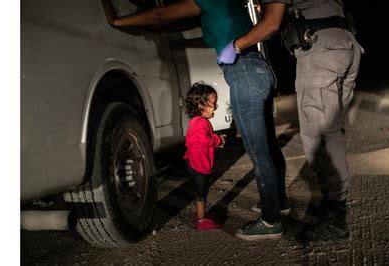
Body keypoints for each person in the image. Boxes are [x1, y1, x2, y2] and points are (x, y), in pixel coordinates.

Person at [101, 0, 288, 240]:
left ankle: (271, 220)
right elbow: (170, 24)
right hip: (258, 69)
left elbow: (160, 14)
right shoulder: (223, 6)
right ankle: (278, 202)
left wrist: (117, 21)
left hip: (243, 72)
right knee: (268, 146)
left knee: (258, 150)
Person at [217, 0, 364, 244]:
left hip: (320, 50)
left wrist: (236, 45)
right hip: (345, 44)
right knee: (332, 133)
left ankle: (335, 220)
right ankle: (333, 208)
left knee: (319, 140)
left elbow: (271, 24)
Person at [183, 83, 225, 231]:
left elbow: (194, 140)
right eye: (213, 103)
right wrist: (218, 140)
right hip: (198, 164)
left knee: (198, 191)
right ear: (201, 105)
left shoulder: (195, 122)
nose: (216, 107)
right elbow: (204, 140)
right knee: (201, 192)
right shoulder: (201, 123)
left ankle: (200, 215)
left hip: (192, 162)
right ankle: (201, 220)